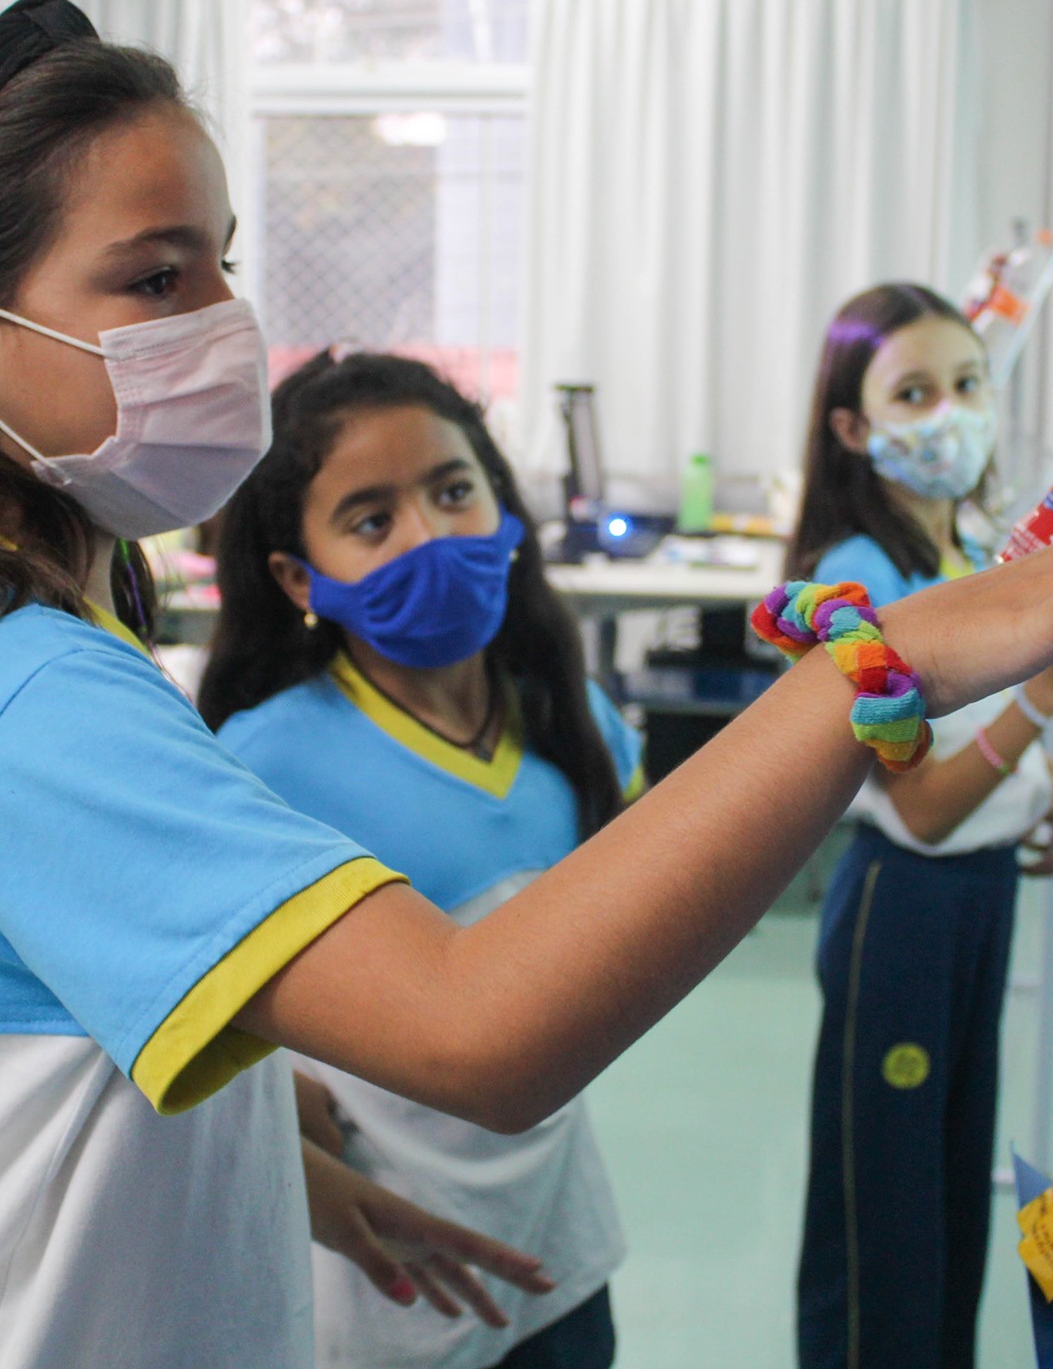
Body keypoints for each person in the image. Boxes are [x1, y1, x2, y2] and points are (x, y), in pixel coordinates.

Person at [0, 0, 1053, 1369]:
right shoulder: (14, 697)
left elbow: (37, 1081)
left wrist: (299, 1189)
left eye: (221, 268)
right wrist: (881, 659)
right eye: (153, 282)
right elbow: (484, 1031)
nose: (222, 326)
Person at [201, 351, 639, 1369]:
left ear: (503, 505)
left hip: (560, 1261)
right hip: (379, 1292)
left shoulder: (578, 733)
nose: (429, 538)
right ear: (296, 578)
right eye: (370, 519)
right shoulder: (262, 762)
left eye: (452, 491)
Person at [787, 283, 1053, 1369]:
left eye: (965, 383)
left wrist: (1045, 778)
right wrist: (1041, 707)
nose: (950, 411)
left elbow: (969, 750)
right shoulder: (854, 582)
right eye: (912, 392)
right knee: (886, 1221)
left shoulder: (956, 548)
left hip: (976, 893)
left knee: (956, 1191)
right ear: (853, 429)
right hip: (902, 906)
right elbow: (916, 805)